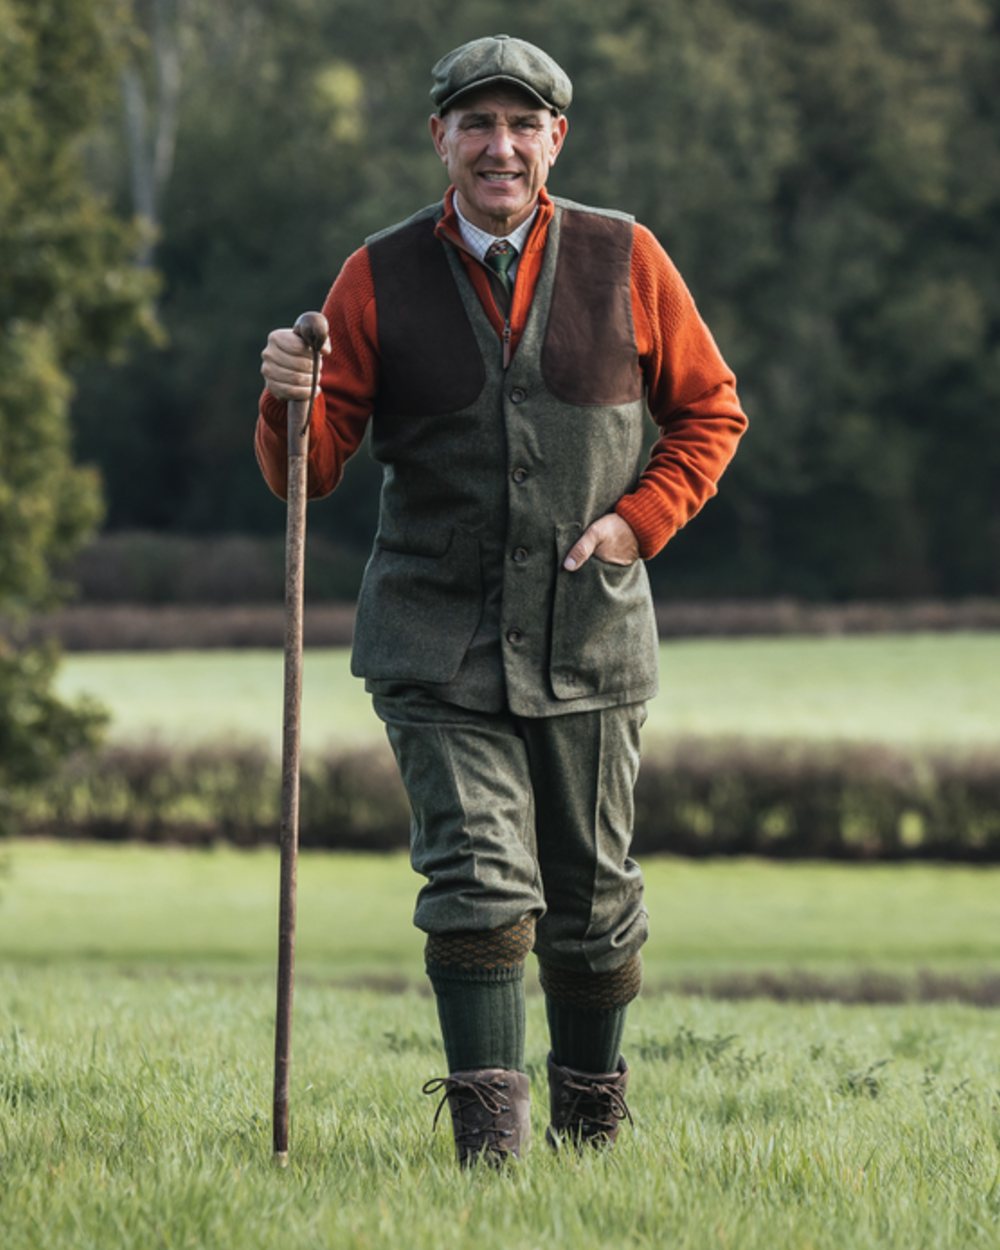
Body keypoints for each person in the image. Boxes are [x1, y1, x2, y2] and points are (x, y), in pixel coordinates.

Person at [256, 33, 747, 1167]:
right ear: (439, 139)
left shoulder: (627, 256)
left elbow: (712, 413)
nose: (500, 145)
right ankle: (490, 1159)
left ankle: (588, 1145)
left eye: (522, 124)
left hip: (591, 633)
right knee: (478, 878)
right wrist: (288, 396)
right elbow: (310, 469)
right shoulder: (372, 276)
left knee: (591, 904)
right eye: (476, 123)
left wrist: (637, 521)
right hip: (434, 639)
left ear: (554, 140)